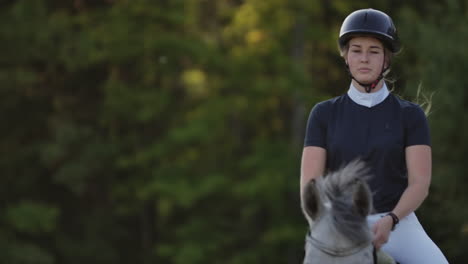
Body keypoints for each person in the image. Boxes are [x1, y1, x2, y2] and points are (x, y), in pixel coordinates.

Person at [300, 8, 449, 264]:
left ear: (386, 59)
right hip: (337, 225)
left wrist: (390, 220)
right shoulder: (323, 114)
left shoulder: (410, 116)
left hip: (397, 222)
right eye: (356, 50)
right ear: (346, 57)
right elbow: (310, 184)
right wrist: (325, 223)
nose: (364, 59)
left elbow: (419, 184)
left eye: (374, 51)